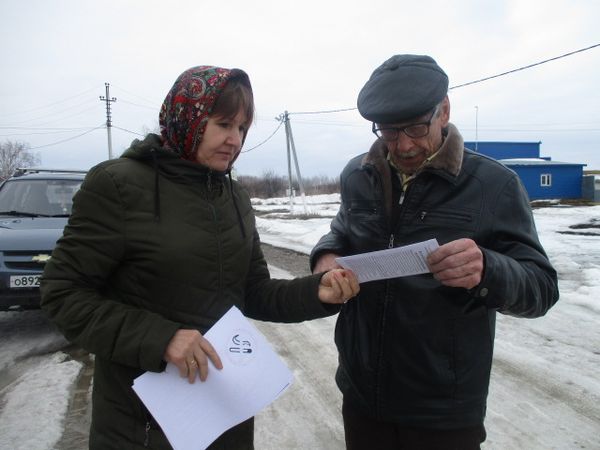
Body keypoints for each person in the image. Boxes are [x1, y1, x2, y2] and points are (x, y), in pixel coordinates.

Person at [40, 65, 359, 450]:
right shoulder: (118, 185)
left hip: (223, 413)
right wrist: (161, 339)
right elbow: (63, 295)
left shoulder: (234, 197)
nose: (235, 140)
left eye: (242, 128)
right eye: (223, 124)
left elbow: (254, 292)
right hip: (143, 425)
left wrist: (317, 292)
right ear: (187, 117)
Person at [310, 54, 559, 450]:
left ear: (444, 110)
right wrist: (326, 257)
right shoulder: (357, 175)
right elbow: (341, 232)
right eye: (388, 131)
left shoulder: (493, 185)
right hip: (361, 394)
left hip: (443, 410)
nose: (403, 144)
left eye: (415, 127)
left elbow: (541, 288)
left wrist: (487, 269)